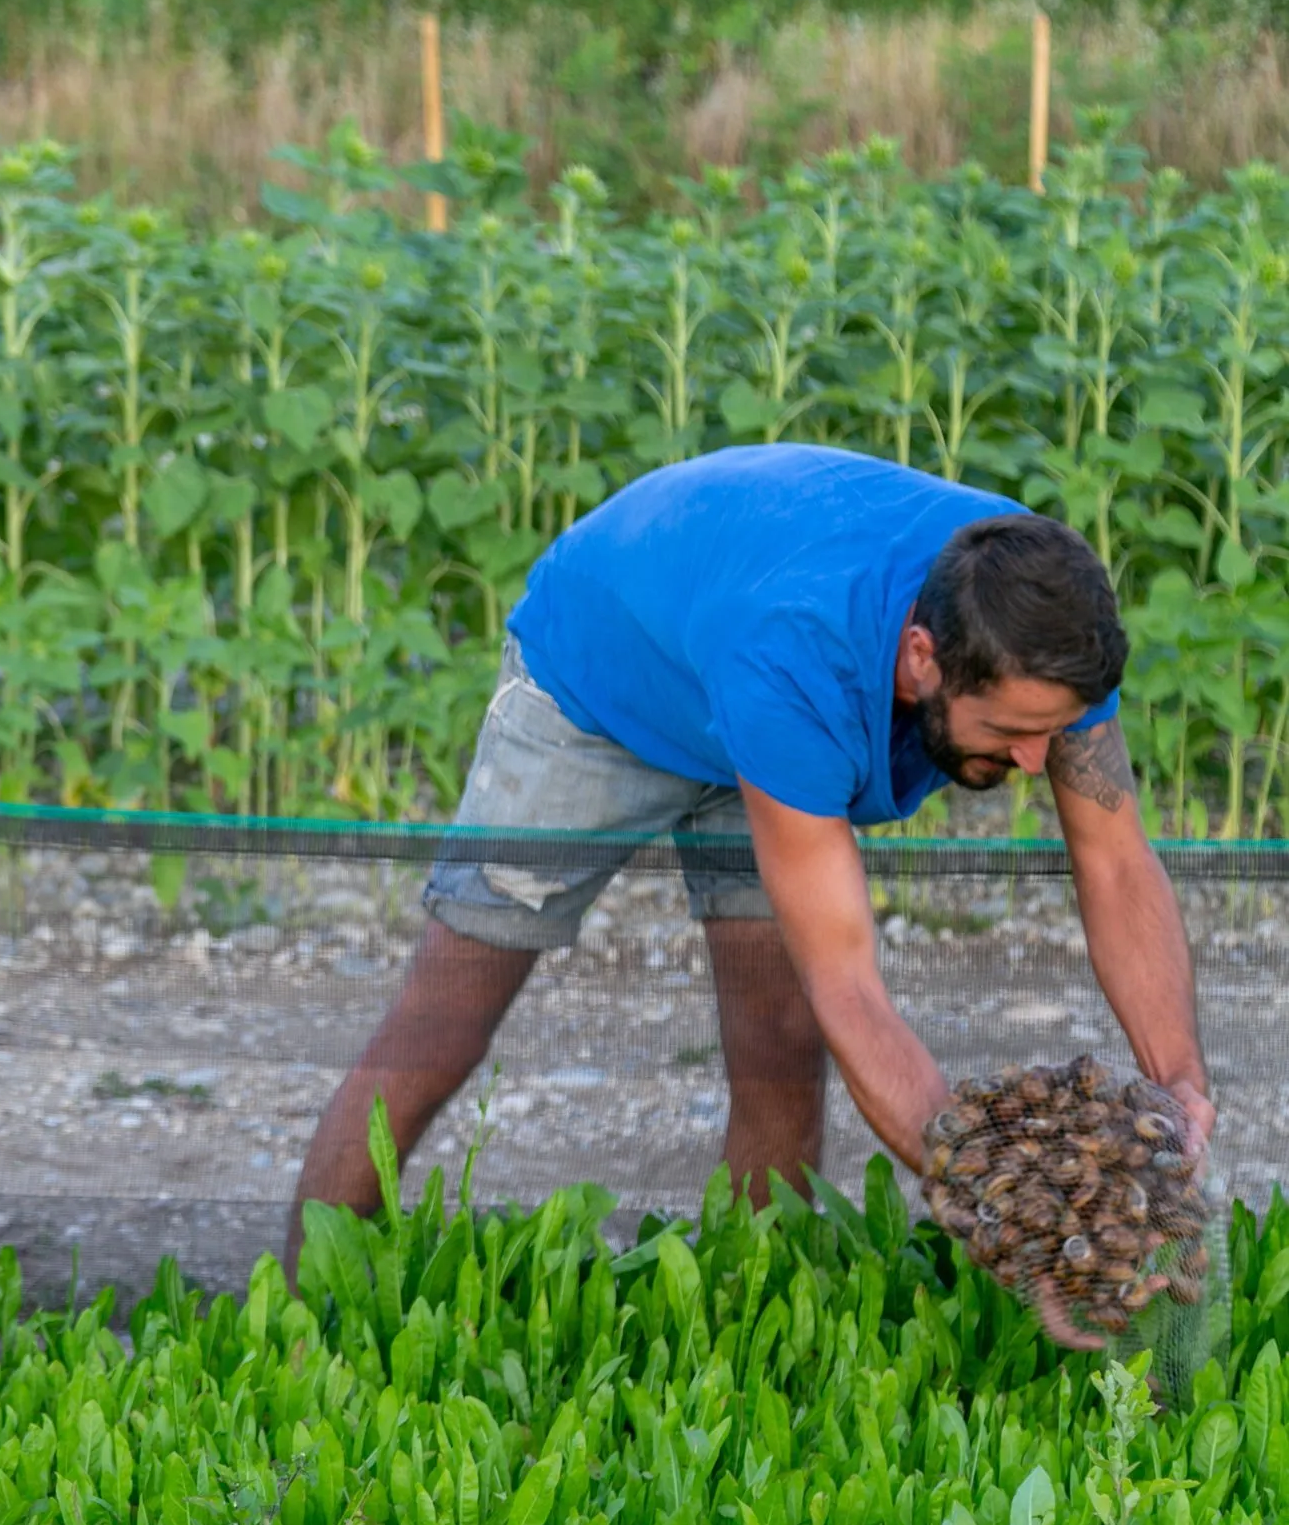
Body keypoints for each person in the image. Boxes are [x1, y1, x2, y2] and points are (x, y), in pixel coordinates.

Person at [289, 444, 1211, 1348]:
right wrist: (1013, 1209)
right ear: (923, 657)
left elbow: (1120, 865)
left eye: (1047, 735)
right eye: (1009, 733)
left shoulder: (1048, 635)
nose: (1030, 763)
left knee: (778, 1039)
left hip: (750, 654)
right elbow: (850, 989)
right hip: (605, 680)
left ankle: (737, 1331)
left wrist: (1181, 1082)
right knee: (446, 1016)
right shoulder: (796, 656)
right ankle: (296, 1313)